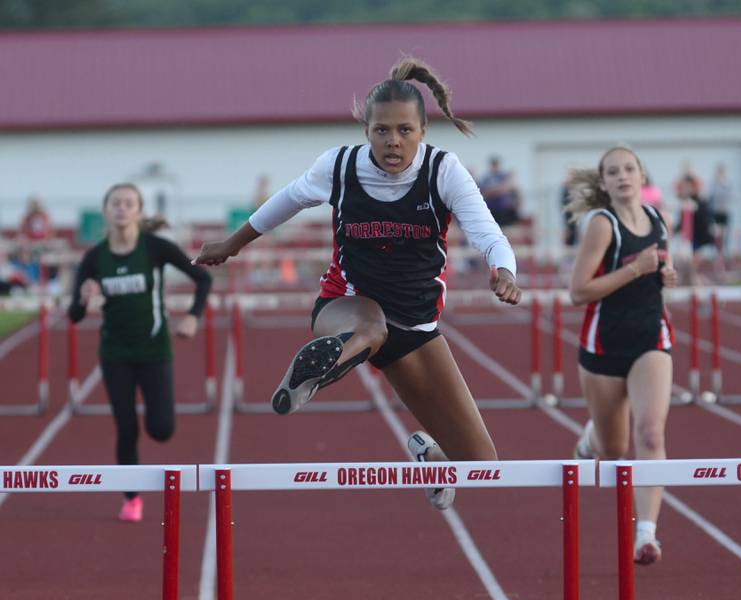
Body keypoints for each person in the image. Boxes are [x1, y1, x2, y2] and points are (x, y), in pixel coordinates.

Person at [195, 56, 521, 511]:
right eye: (381, 131)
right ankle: (313, 375)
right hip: (348, 304)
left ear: (422, 132)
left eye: (404, 131)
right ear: (365, 131)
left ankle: (434, 457)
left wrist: (504, 270)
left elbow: (488, 233)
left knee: (484, 466)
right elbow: (287, 201)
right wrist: (231, 244)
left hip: (416, 328)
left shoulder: (443, 171)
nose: (392, 142)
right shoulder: (340, 167)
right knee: (371, 328)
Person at [68, 183, 212, 522]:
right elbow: (73, 315)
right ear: (106, 210)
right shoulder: (93, 258)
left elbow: (203, 279)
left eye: (128, 203)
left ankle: (154, 423)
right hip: (115, 353)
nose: (121, 208)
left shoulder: (155, 248)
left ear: (138, 212)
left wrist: (192, 318)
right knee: (126, 427)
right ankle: (131, 499)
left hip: (154, 350)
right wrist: (83, 300)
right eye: (115, 203)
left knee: (161, 429)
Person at [565, 145, 679, 565]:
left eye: (628, 169)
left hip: (651, 338)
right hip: (604, 344)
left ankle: (646, 534)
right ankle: (590, 438)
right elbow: (578, 292)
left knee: (650, 433)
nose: (622, 176)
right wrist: (635, 268)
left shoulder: (659, 220)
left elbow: (660, 273)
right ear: (604, 182)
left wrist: (665, 275)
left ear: (641, 174)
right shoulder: (602, 225)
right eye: (613, 172)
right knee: (614, 448)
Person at [478, 156, 522, 228]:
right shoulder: (486, 178)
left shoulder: (503, 176)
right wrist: (498, 190)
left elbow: (506, 189)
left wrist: (495, 190)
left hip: (502, 208)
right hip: (490, 208)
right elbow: (485, 192)